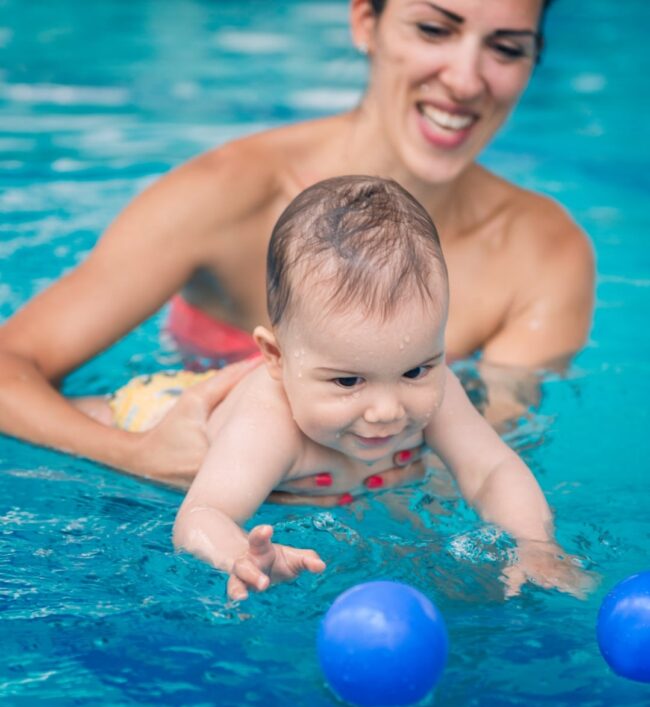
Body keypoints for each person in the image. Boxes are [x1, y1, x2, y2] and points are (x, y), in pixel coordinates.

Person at [0, 0, 594, 493]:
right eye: (434, 29)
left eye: (507, 48)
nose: (466, 80)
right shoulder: (226, 195)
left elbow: (474, 462)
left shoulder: (545, 254)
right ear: (366, 22)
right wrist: (136, 454)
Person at [79, 176, 592, 601]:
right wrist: (237, 552)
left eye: (416, 370)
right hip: (156, 407)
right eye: (348, 380)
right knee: (89, 415)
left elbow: (493, 469)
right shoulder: (267, 422)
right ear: (276, 358)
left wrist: (534, 543)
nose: (388, 410)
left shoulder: (438, 389)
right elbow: (202, 513)